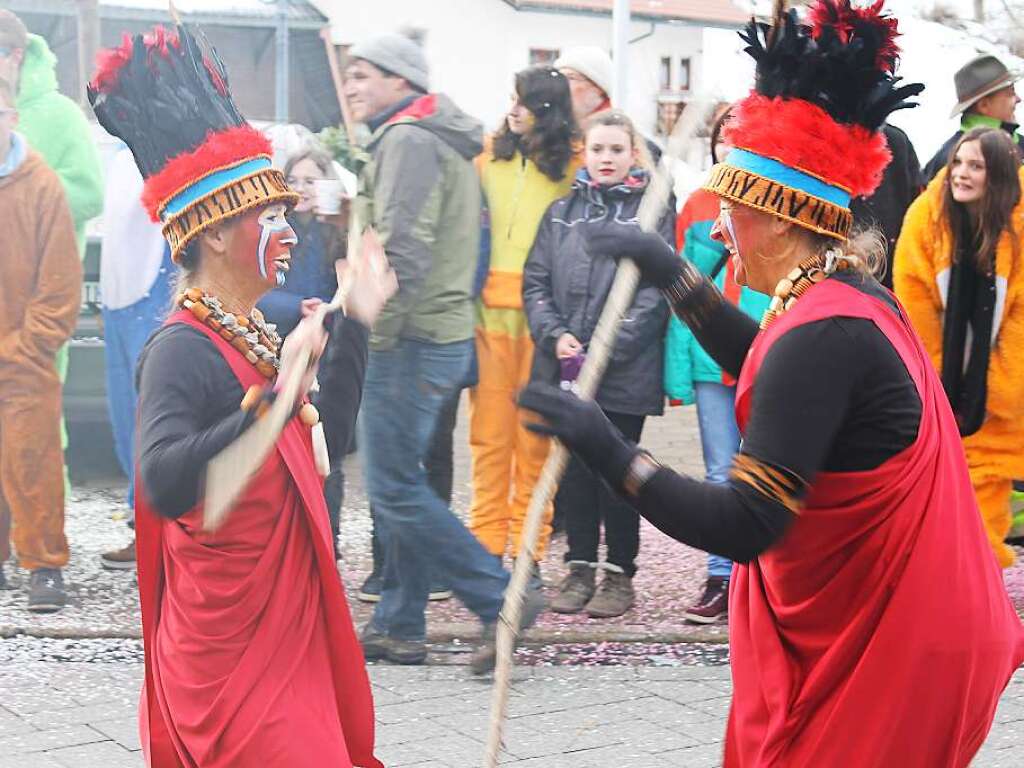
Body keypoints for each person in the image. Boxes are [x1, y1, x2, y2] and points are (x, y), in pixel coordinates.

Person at [518, 2, 1024, 764]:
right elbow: (777, 368)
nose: (719, 227)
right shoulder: (840, 294)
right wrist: (672, 274)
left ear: (784, 222)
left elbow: (746, 524)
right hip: (921, 629)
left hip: (894, 652)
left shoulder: (826, 330)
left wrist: (608, 448)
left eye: (732, 209)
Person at [88, 24, 384, 766]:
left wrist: (354, 325)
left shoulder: (256, 329)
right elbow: (162, 481)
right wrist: (270, 401)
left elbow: (325, 447)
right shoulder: (179, 349)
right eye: (271, 217)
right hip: (229, 664)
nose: (288, 233)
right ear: (217, 236)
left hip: (287, 638)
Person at [344, 32, 543, 671]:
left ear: (401, 82)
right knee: (404, 478)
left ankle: (501, 599)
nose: (351, 86)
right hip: (438, 329)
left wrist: (366, 325)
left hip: (409, 333)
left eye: (363, 75)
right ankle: (400, 622)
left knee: (394, 485)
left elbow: (403, 246)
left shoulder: (406, 139)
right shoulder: (430, 136)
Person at [523, 109, 669, 618]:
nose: (606, 159)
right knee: (574, 471)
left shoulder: (649, 214)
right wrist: (556, 334)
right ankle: (580, 565)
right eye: (598, 149)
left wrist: (606, 350)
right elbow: (536, 282)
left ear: (633, 154)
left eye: (616, 150)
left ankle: (618, 573)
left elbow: (654, 293)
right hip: (567, 364)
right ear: (585, 153)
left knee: (617, 471)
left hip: (622, 371)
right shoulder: (561, 214)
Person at [895, 127, 1024, 569]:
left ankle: (978, 597)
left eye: (976, 166)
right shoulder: (925, 220)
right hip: (940, 388)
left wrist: (999, 389)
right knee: (936, 504)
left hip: (996, 400)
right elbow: (914, 302)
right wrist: (934, 380)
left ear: (999, 176)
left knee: (985, 507)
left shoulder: (1019, 227)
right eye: (958, 163)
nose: (962, 174)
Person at [471, 65, 579, 570]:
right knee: (489, 437)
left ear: (549, 111)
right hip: (487, 317)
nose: (513, 110)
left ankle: (529, 552)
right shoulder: (487, 160)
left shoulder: (573, 169)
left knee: (535, 438)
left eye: (524, 102)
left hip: (542, 321)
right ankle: (487, 547)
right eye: (510, 100)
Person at [664, 107, 770, 625]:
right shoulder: (699, 205)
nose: (728, 145)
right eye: (722, 138)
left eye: (739, 137)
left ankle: (764, 577)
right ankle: (720, 577)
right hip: (711, 362)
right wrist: (678, 371)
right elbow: (685, 289)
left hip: (761, 350)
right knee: (718, 469)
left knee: (765, 467)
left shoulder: (772, 200)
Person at [0, 10, 104, 496]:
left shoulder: (60, 114)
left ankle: (40, 537)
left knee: (37, 415)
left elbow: (89, 194)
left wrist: (24, 190)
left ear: (14, 57)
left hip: (39, 298)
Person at [0, 76, 82, 610]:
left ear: (10, 117)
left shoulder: (41, 187)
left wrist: (28, 347)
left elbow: (60, 285)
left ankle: (44, 566)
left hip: (23, 357)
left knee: (34, 461)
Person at [97, 146, 174, 571]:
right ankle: (142, 528)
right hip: (118, 296)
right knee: (125, 420)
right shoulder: (119, 153)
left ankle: (166, 533)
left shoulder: (170, 139)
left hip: (153, 291)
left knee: (154, 422)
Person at [922, 54, 1024, 181]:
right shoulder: (952, 158)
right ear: (983, 105)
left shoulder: (1019, 142)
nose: (1019, 99)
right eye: (1010, 93)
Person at [849, 123, 922, 287]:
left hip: (892, 277)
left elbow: (915, 215)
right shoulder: (822, 136)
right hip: (834, 272)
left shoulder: (897, 141)